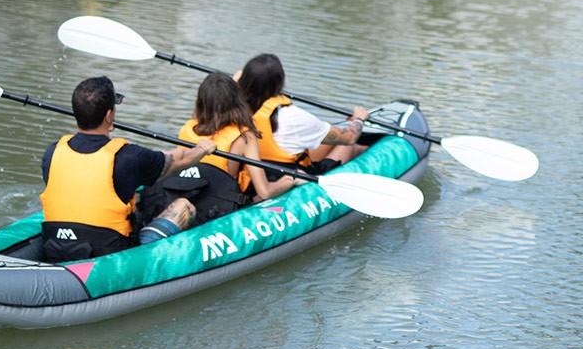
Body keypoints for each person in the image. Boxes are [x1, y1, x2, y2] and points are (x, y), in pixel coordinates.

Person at [40, 75, 215, 262]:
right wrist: (202, 149)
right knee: (183, 206)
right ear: (108, 115)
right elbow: (177, 160)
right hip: (109, 256)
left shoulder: (52, 152)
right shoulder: (129, 157)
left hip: (55, 246)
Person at [150, 73, 297, 223]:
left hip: (187, 193)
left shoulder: (189, 127)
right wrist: (289, 180)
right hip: (219, 206)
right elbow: (265, 192)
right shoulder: (244, 137)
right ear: (237, 101)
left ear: (201, 102)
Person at [236, 53, 370, 173]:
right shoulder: (292, 117)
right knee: (349, 147)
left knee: (324, 133)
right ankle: (373, 152)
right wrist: (358, 119)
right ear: (280, 84)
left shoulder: (231, 106)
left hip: (250, 173)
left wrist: (239, 81)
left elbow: (236, 81)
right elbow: (350, 138)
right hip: (282, 176)